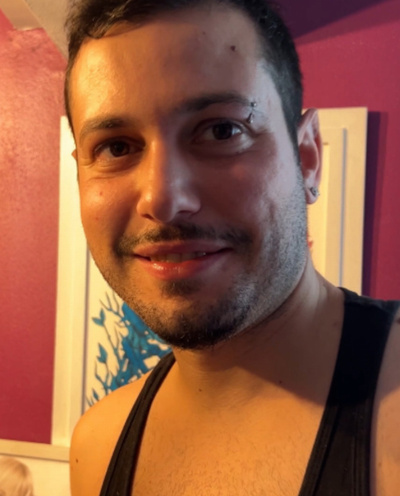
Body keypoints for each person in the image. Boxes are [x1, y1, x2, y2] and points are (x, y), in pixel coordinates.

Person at [64, 0, 400, 494]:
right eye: (116, 147)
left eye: (222, 130)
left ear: (307, 157)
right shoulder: (97, 444)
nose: (163, 199)